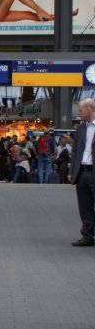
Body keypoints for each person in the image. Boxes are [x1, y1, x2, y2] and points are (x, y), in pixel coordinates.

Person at [69, 99, 95, 246]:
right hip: (82, 172)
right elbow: (75, 151)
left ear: (89, 109)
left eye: (80, 111)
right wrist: (72, 170)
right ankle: (87, 235)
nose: (78, 114)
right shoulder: (80, 129)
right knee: (85, 206)